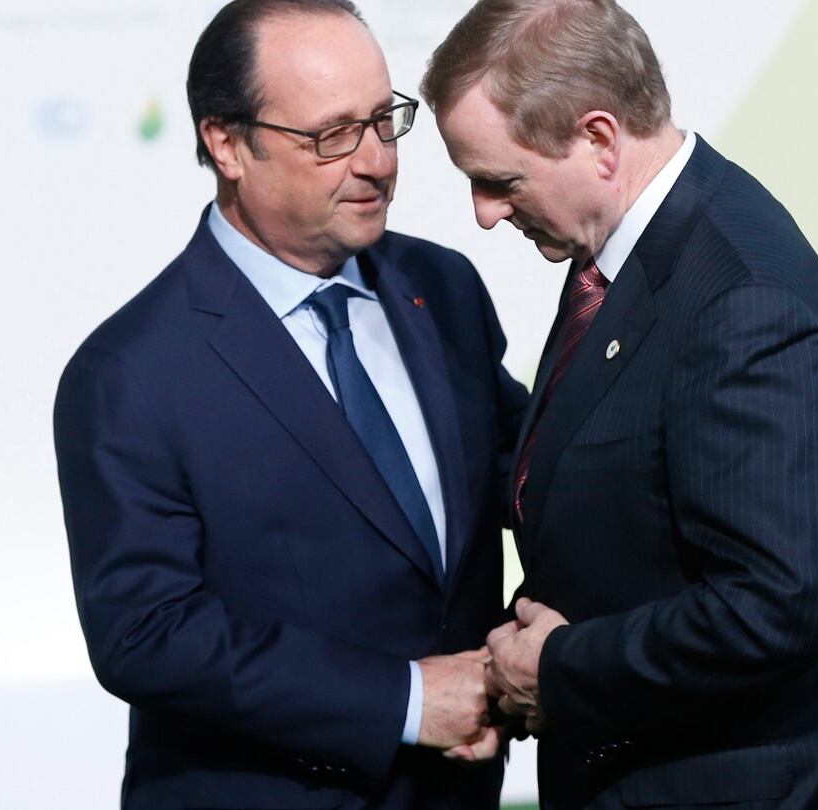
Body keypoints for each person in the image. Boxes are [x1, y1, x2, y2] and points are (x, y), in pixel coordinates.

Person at [422, 1, 818, 807]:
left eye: (498, 180)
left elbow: (773, 611)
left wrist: (556, 670)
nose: (484, 213)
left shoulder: (742, 302)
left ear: (597, 139)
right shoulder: (627, 256)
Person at [53, 1, 528, 807]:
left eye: (384, 120)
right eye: (331, 134)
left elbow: (528, 476)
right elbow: (147, 633)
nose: (377, 161)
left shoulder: (441, 289)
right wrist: (406, 702)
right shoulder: (130, 373)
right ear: (227, 143)